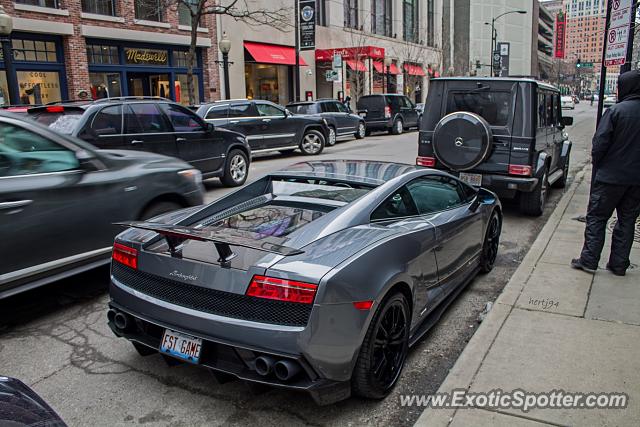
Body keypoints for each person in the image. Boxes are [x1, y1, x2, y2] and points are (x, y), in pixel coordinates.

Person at [571, 70, 640, 276]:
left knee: (597, 217)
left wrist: (599, 165)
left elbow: (600, 144)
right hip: (636, 181)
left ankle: (590, 260)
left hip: (610, 176)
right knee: (627, 220)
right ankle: (619, 264)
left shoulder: (616, 111)